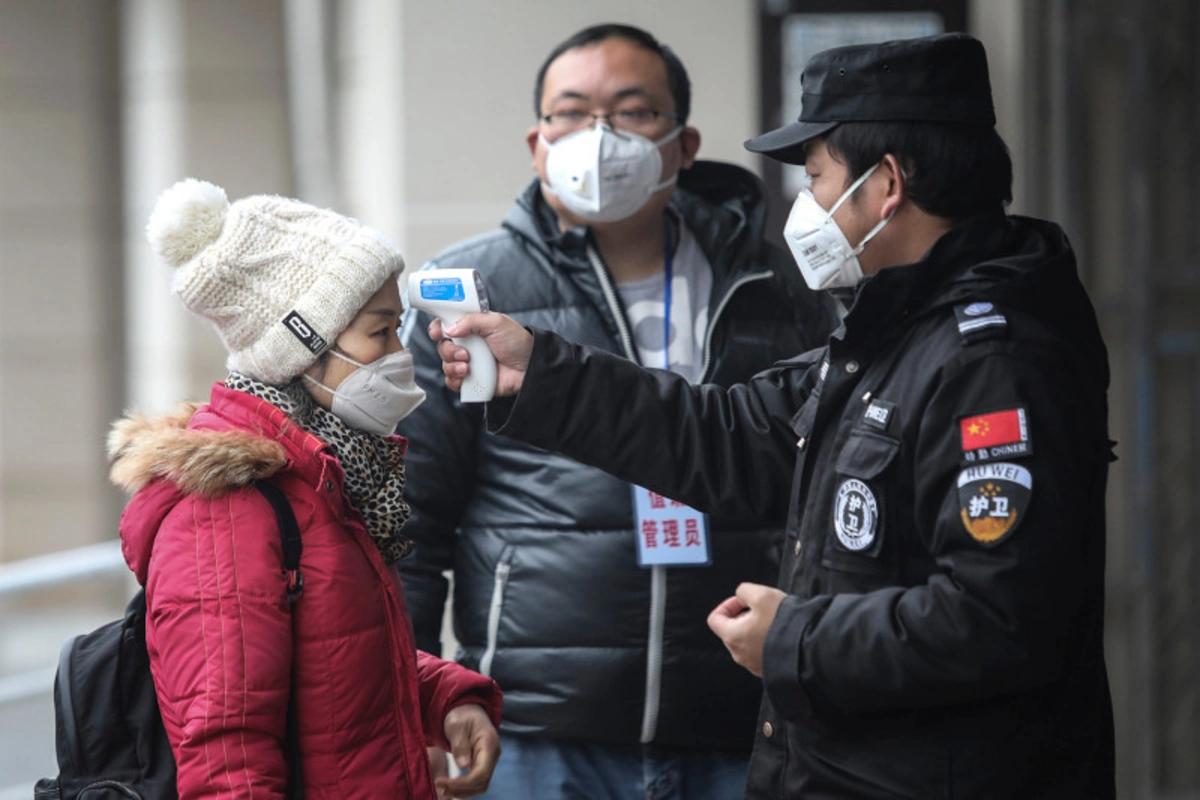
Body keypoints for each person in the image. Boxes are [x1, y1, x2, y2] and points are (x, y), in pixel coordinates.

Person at [428, 32, 1116, 799]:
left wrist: (793, 639)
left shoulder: (991, 361)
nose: (806, 205)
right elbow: (734, 436)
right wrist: (539, 373)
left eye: (817, 176)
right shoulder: (890, 331)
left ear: (885, 185)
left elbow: (998, 618)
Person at [396, 22, 834, 800]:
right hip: (534, 731)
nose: (598, 137)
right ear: (538, 142)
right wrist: (421, 702)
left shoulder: (784, 289)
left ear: (685, 142)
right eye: (570, 113)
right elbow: (411, 521)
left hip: (744, 723)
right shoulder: (465, 293)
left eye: (633, 112)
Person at [109, 178, 503, 799]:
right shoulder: (229, 510)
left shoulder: (321, 476)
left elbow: (335, 662)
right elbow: (227, 757)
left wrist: (445, 699)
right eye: (379, 332)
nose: (400, 354)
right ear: (301, 349)